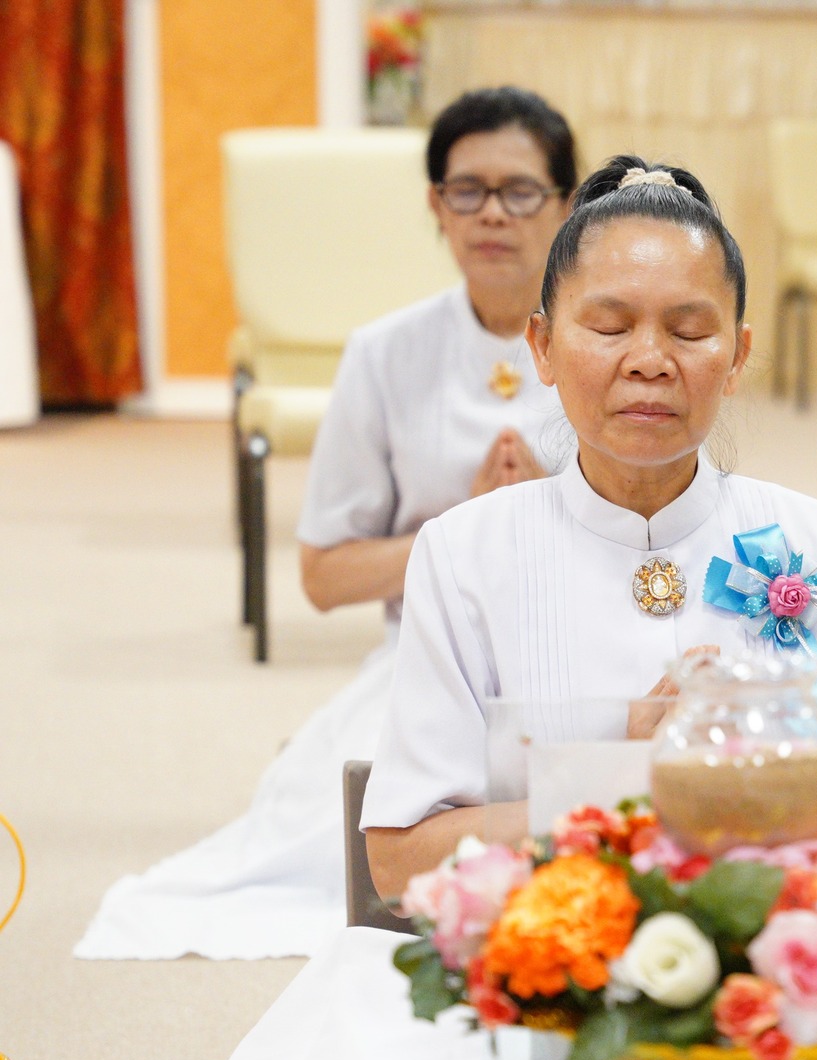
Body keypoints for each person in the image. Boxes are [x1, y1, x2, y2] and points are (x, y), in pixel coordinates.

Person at [75, 88, 578, 960]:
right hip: (434, 661)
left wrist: (548, 517)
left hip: (579, 653)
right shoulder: (384, 353)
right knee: (324, 849)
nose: (493, 213)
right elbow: (323, 575)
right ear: (436, 206)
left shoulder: (606, 341)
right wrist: (463, 532)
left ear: (567, 206)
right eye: (467, 190)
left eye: (521, 190)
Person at [362, 155, 817, 891]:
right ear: (542, 346)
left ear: (738, 356)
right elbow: (399, 862)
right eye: (609, 326)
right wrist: (631, 781)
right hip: (555, 943)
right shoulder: (462, 554)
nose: (649, 361)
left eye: (689, 331)